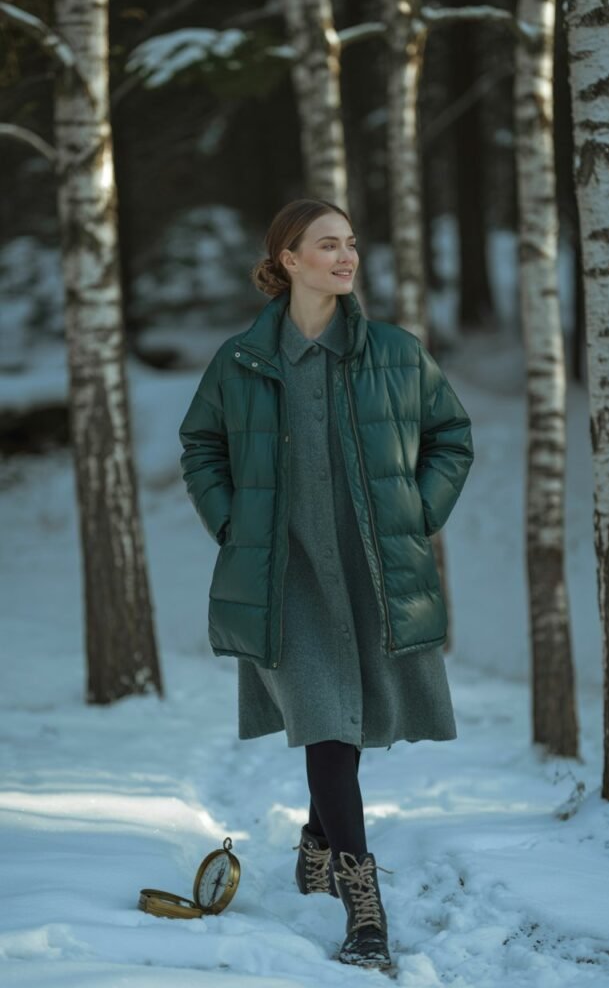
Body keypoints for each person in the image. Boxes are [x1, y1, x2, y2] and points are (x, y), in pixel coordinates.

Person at [178, 198, 474, 971]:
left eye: (351, 245)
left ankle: (317, 839)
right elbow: (200, 446)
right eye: (328, 245)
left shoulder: (395, 354)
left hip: (372, 568)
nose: (346, 258)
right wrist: (234, 528)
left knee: (346, 720)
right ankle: (363, 907)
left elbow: (452, 436)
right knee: (327, 724)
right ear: (287, 261)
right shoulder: (242, 360)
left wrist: (417, 510)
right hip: (288, 576)